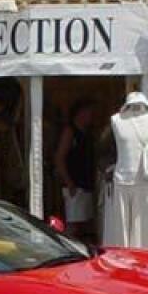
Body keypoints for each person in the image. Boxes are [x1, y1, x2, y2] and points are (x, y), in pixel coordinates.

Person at [53, 99, 97, 237]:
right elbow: (59, 157)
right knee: (73, 225)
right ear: (81, 113)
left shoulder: (87, 133)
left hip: (86, 185)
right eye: (90, 113)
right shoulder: (70, 131)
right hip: (74, 186)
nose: (92, 116)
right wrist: (69, 182)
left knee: (85, 223)